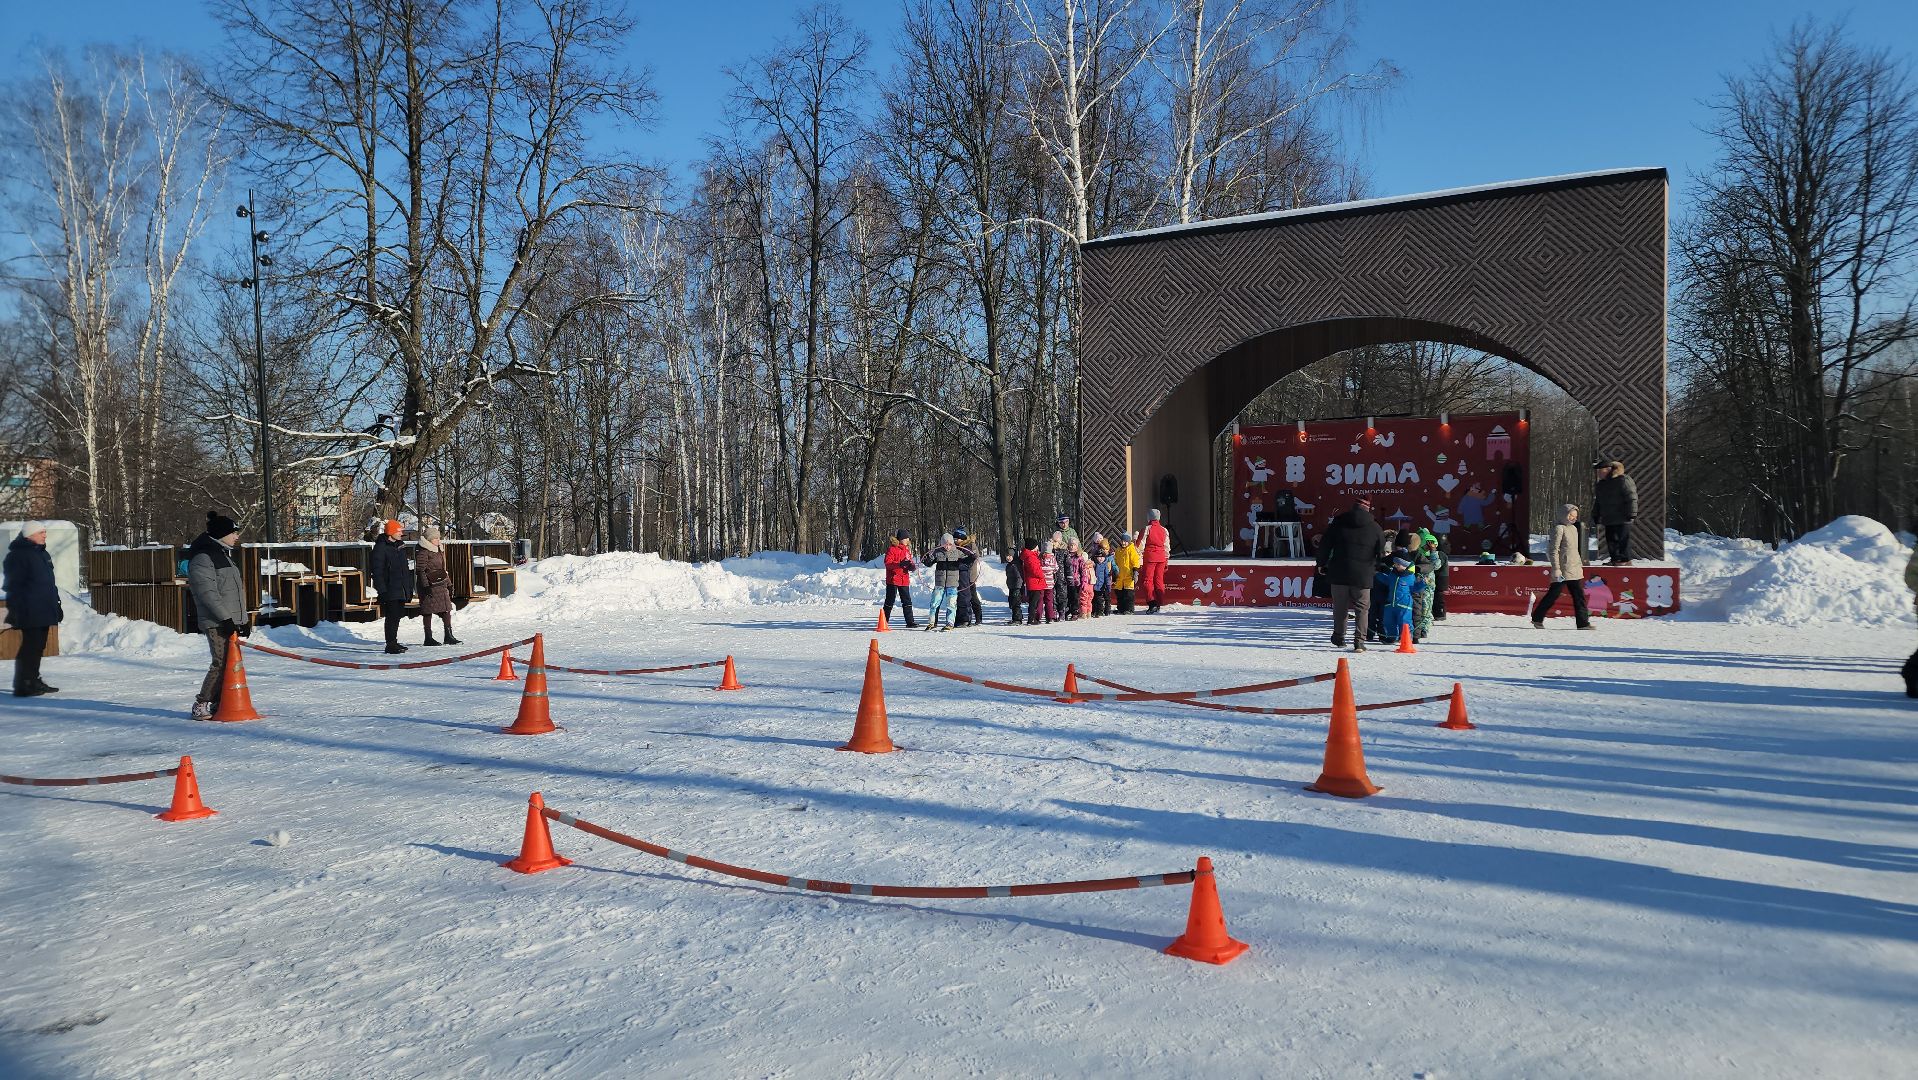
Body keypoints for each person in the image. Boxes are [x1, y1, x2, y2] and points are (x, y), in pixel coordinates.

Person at [186, 511, 249, 719]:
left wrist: (243, 620)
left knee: (231, 663)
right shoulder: (203, 557)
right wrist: (225, 618)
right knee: (220, 662)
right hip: (216, 621)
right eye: (233, 532)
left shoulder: (223, 554)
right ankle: (201, 702)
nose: (237, 536)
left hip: (229, 620)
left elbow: (233, 591)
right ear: (222, 533)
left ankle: (221, 702)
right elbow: (208, 593)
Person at [1317, 497, 1386, 652]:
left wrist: (1321, 564)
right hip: (1363, 574)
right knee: (1362, 608)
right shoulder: (1375, 527)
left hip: (1339, 572)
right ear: (1368, 509)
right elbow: (1381, 552)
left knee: (1340, 607)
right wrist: (1376, 569)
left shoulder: (1338, 523)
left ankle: (1339, 637)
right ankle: (1359, 642)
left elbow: (1325, 544)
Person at [4, 521, 62, 698]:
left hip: (43, 607)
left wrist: (56, 604)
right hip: (29, 609)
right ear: (29, 535)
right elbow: (13, 586)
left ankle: (33, 679)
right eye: (41, 532)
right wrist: (16, 610)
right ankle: (24, 684)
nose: (45, 535)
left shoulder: (41, 554)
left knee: (38, 646)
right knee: (30, 646)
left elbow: (47, 584)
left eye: (44, 532)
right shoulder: (19, 555)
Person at [1532, 503, 1593, 630]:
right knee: (1554, 594)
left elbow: (1574, 550)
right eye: (1571, 515)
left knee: (1578, 595)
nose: (1573, 518)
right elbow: (1554, 550)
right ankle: (1537, 618)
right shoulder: (1559, 528)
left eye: (1575, 516)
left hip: (1573, 568)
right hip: (1562, 570)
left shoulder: (1574, 529)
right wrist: (1556, 568)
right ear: (1564, 515)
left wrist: (1579, 563)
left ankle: (1583, 623)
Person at [371, 518, 415, 654]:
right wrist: (382, 590)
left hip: (400, 588)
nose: (401, 533)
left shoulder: (400, 546)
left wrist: (408, 589)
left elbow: (405, 569)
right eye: (398, 531)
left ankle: (394, 641)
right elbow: (377, 571)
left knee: (397, 615)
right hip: (389, 588)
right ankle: (390, 644)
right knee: (391, 616)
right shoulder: (381, 548)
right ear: (391, 532)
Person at [414, 524, 460, 646]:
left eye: (438, 538)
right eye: (436, 538)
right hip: (429, 585)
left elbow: (442, 569)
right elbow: (420, 570)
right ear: (429, 540)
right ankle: (428, 638)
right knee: (427, 611)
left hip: (440, 583)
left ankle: (448, 635)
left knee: (446, 609)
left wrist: (449, 584)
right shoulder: (423, 551)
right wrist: (426, 586)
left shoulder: (439, 549)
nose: (438, 540)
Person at [1595, 459, 1639, 565]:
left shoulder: (1623, 480)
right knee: (1611, 540)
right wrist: (1596, 514)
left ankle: (1626, 560)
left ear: (1608, 470)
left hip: (1623, 516)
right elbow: (1598, 501)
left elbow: (1631, 497)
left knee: (1622, 539)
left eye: (1601, 470)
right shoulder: (1601, 484)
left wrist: (1632, 513)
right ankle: (1615, 559)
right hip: (1609, 517)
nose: (1599, 473)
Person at [926, 533, 972, 631]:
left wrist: (972, 557)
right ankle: (931, 622)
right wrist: (926, 559)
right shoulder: (937, 552)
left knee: (951, 604)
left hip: (952, 584)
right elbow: (929, 563)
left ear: (953, 544)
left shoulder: (957, 552)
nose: (947, 546)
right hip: (940, 583)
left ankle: (950, 623)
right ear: (942, 544)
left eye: (950, 544)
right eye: (945, 544)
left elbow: (967, 560)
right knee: (934, 603)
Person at [1376, 555, 1422, 644]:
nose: (1396, 566)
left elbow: (1414, 588)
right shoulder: (1392, 574)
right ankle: (1391, 637)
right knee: (1388, 621)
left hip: (1404, 604)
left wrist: (1422, 584)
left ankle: (1406, 637)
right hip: (1391, 603)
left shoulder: (1410, 576)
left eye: (1398, 564)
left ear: (1405, 565)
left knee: (1405, 622)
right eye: (1395, 564)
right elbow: (1387, 580)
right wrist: (1378, 575)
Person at [882, 530, 917, 628]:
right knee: (890, 601)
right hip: (893, 580)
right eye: (905, 538)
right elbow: (888, 564)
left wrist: (911, 566)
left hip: (904, 579)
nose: (907, 540)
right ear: (900, 539)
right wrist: (899, 564)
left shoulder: (906, 550)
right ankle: (884, 621)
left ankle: (910, 622)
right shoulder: (892, 549)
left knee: (907, 601)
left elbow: (909, 561)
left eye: (908, 538)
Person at [1139, 509, 1171, 613]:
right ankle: (1159, 602)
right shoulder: (1164, 530)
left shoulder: (1147, 529)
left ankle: (1152, 602)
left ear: (1149, 517)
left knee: (1148, 580)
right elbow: (1167, 546)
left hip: (1150, 557)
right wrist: (1166, 559)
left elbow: (1140, 545)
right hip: (1161, 557)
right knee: (1159, 580)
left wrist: (1139, 557)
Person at [1413, 529, 1442, 642]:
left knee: (1426, 608)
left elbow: (1436, 566)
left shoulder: (1435, 555)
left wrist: (1433, 551)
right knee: (1416, 608)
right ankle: (1415, 628)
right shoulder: (1416, 554)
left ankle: (1423, 629)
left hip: (1428, 586)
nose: (1428, 547)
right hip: (1416, 584)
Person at [953, 528, 984, 628]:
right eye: (954, 539)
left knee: (972, 597)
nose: (955, 540)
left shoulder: (969, 545)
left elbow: (975, 556)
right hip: (961, 577)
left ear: (962, 538)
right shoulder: (957, 547)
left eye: (957, 539)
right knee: (962, 597)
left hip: (970, 576)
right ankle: (960, 617)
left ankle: (978, 617)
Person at [1017, 538, 1050, 624]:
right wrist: (1042, 575)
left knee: (1033, 601)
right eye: (1036, 546)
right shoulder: (1031, 557)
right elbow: (1035, 570)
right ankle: (1031, 619)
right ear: (1033, 547)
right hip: (1035, 583)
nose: (1037, 548)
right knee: (1033, 602)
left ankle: (1032, 618)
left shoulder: (1030, 556)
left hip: (1033, 583)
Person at [1113, 531, 1141, 614]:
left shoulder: (1131, 549)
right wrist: (1114, 571)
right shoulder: (1118, 550)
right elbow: (1115, 561)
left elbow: (1135, 561)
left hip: (1129, 576)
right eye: (1122, 541)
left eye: (1125, 541)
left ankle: (1129, 609)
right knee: (1119, 594)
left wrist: (1135, 571)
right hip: (1120, 576)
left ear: (1129, 542)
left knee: (1129, 594)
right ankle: (1121, 608)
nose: (1123, 543)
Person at [1067, 538, 1094, 620]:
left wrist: (1083, 582)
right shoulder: (1066, 555)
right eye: (1071, 545)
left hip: (1076, 581)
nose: (1072, 547)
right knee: (1068, 597)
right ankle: (1067, 612)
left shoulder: (1079, 557)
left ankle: (1075, 613)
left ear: (1077, 546)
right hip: (1067, 580)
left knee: (1076, 598)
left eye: (1074, 545)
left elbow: (1083, 571)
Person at [1090, 534, 1114, 617]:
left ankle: (1102, 611)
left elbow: (1107, 575)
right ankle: (1094, 611)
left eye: (1102, 557)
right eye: (1098, 557)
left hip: (1102, 585)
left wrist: (1108, 585)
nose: (1100, 559)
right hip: (1095, 585)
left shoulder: (1104, 565)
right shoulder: (1095, 565)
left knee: (1101, 599)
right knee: (1094, 599)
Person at [1039, 539, 1060, 624]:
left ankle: (1038, 617)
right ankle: (1049, 617)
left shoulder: (1040, 558)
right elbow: (1056, 569)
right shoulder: (1053, 558)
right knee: (1049, 601)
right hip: (1050, 583)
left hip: (1041, 583)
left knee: (1040, 600)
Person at [1004, 544, 1026, 624]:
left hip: (1017, 588)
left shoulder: (1016, 565)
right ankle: (1016, 617)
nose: (1008, 557)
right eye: (1007, 555)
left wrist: (1018, 588)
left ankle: (1017, 619)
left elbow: (1019, 577)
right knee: (1012, 603)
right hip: (1011, 587)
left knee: (1016, 603)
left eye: (1010, 555)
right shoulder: (1009, 565)